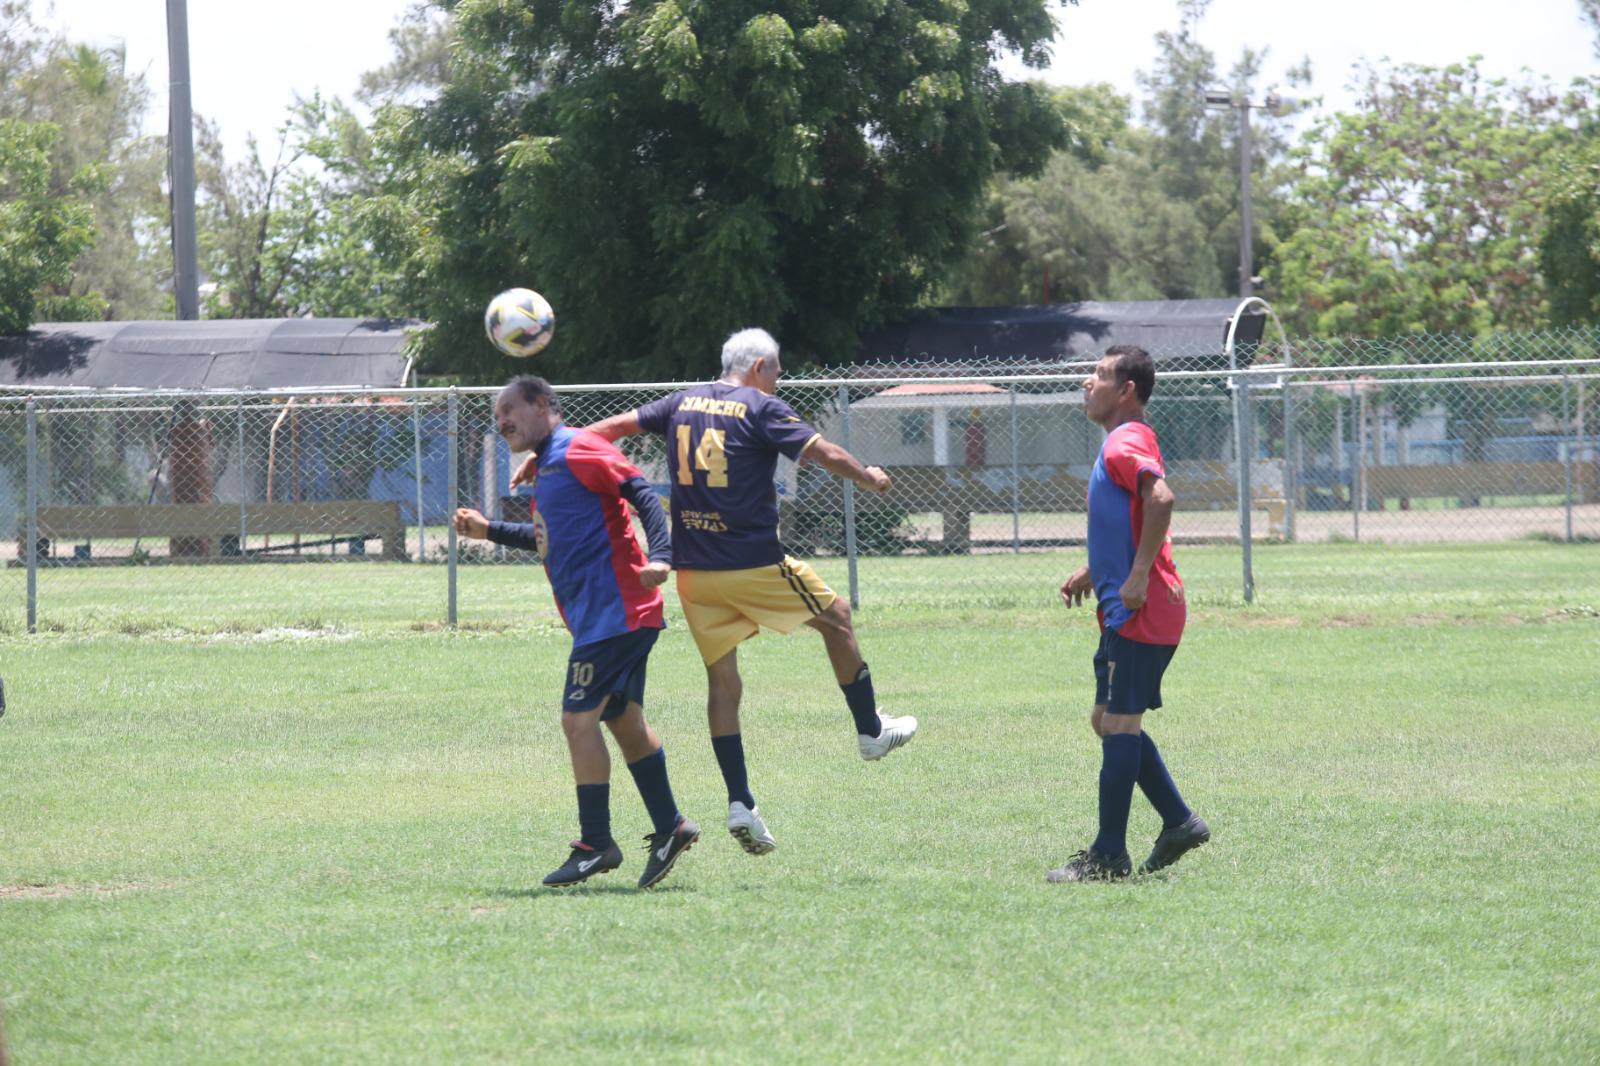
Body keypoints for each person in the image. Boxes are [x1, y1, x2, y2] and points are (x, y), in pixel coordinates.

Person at [534, 327, 917, 856]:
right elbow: (823, 452)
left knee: (724, 680)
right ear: (759, 365)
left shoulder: (681, 401)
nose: (778, 381)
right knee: (838, 617)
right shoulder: (760, 406)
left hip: (695, 575)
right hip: (752, 562)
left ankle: (741, 801)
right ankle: (871, 728)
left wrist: (553, 451)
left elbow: (613, 428)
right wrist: (869, 477)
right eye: (778, 370)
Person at [454, 375, 699, 890]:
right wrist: (488, 529)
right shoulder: (549, 465)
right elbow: (549, 537)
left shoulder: (579, 448)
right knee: (624, 721)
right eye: (497, 415)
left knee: (576, 721)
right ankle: (670, 827)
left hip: (616, 616)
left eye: (510, 410)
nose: (502, 422)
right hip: (614, 617)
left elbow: (643, 494)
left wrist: (661, 556)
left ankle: (596, 845)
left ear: (543, 405)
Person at [1050, 345, 1210, 882]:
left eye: (1098, 375)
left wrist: (1137, 577)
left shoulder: (1126, 438)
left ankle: (1108, 856)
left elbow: (1160, 499)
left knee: (1120, 724)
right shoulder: (1121, 441)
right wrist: (1096, 570)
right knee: (1106, 722)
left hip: (1144, 609)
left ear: (1127, 391)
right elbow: (1132, 518)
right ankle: (1178, 821)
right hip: (1125, 609)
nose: (1086, 382)